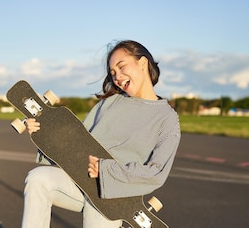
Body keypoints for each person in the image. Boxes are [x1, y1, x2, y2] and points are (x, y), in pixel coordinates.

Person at [20, 40, 181, 227]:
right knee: (37, 179)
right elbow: (76, 143)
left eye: (121, 67)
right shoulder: (110, 103)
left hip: (116, 197)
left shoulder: (167, 118)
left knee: (99, 210)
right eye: (113, 73)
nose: (117, 77)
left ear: (143, 63)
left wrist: (105, 170)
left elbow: (156, 171)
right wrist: (44, 135)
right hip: (81, 181)